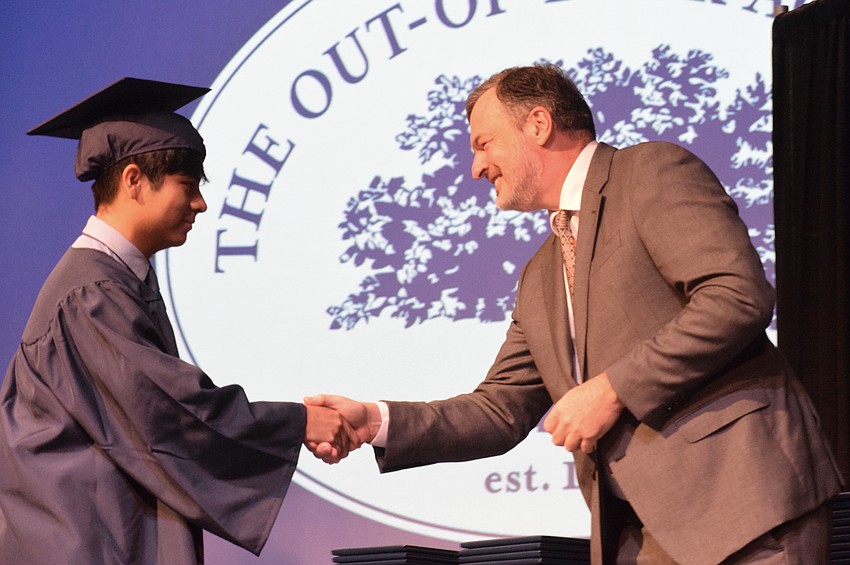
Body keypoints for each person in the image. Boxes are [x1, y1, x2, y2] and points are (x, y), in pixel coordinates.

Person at [306, 64, 844, 564]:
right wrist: (375, 420)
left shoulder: (649, 171)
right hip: (637, 537)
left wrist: (611, 389)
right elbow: (499, 410)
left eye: (484, 143)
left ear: (538, 124)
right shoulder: (540, 275)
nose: (475, 168)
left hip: (742, 508)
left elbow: (736, 295)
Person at [0, 77, 359, 565]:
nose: (201, 204)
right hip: (83, 542)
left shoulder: (115, 282)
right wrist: (298, 422)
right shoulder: (91, 293)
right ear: (132, 180)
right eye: (187, 186)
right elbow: (167, 412)